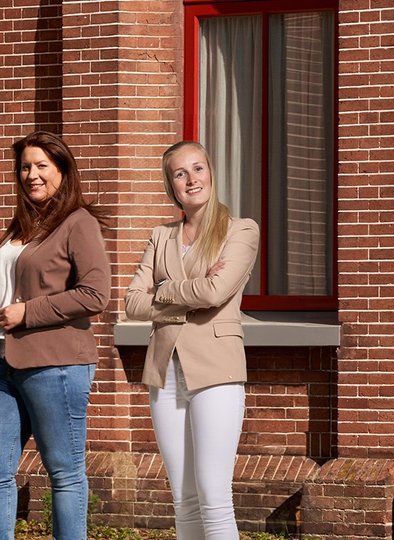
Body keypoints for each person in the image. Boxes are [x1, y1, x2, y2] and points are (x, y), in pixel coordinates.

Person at [0, 131, 109, 540]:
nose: (31, 175)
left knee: (64, 471)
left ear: (63, 171)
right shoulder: (24, 224)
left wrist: (26, 313)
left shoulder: (78, 223)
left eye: (41, 166)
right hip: (2, 363)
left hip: (57, 366)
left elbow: (95, 293)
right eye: (25, 167)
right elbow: (18, 280)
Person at [124, 141, 259, 540]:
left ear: (211, 173)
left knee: (213, 496)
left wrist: (163, 290)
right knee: (183, 498)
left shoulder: (241, 229)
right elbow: (132, 302)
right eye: (180, 174)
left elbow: (216, 293)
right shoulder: (161, 235)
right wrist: (189, 290)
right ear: (171, 186)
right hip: (165, 373)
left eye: (197, 169)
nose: (190, 179)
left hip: (216, 370)